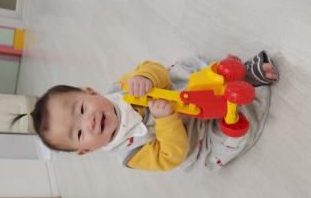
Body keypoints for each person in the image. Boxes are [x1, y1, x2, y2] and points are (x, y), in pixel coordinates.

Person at [17, 51, 278, 171]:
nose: (90, 122)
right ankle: (246, 93)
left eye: (83, 109)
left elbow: (155, 68)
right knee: (227, 140)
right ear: (86, 150)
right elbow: (172, 156)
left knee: (182, 71)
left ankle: (231, 75)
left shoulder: (121, 89)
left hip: (187, 93)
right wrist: (166, 121)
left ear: (91, 92)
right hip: (195, 136)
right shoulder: (131, 154)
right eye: (79, 133)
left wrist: (146, 77)